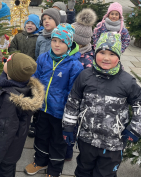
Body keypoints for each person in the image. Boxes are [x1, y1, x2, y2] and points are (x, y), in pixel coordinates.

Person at [62, 32, 141, 177]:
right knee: (83, 171)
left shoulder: (127, 81)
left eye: (112, 54)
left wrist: (134, 130)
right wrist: (68, 127)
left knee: (105, 174)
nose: (106, 58)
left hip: (113, 144)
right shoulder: (85, 76)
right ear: (95, 52)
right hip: (86, 140)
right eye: (102, 52)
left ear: (119, 57)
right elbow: (73, 102)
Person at [25, 24, 84, 177]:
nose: (57, 45)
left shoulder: (74, 65)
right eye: (54, 40)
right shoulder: (43, 57)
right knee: (41, 136)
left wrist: (69, 112)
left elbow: (75, 93)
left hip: (61, 112)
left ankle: (54, 169)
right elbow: (35, 77)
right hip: (43, 108)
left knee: (58, 141)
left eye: (62, 42)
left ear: (69, 43)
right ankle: (40, 161)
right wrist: (33, 95)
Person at [0, 53, 44, 177]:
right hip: (13, 146)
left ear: (13, 73)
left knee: (5, 171)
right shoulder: (20, 86)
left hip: (6, 149)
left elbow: (5, 131)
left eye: (8, 61)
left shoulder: (10, 99)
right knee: (8, 168)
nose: (5, 60)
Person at [63, 8, 97, 161]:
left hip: (77, 101)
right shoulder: (68, 51)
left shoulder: (88, 60)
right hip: (64, 97)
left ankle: (68, 151)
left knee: (71, 127)